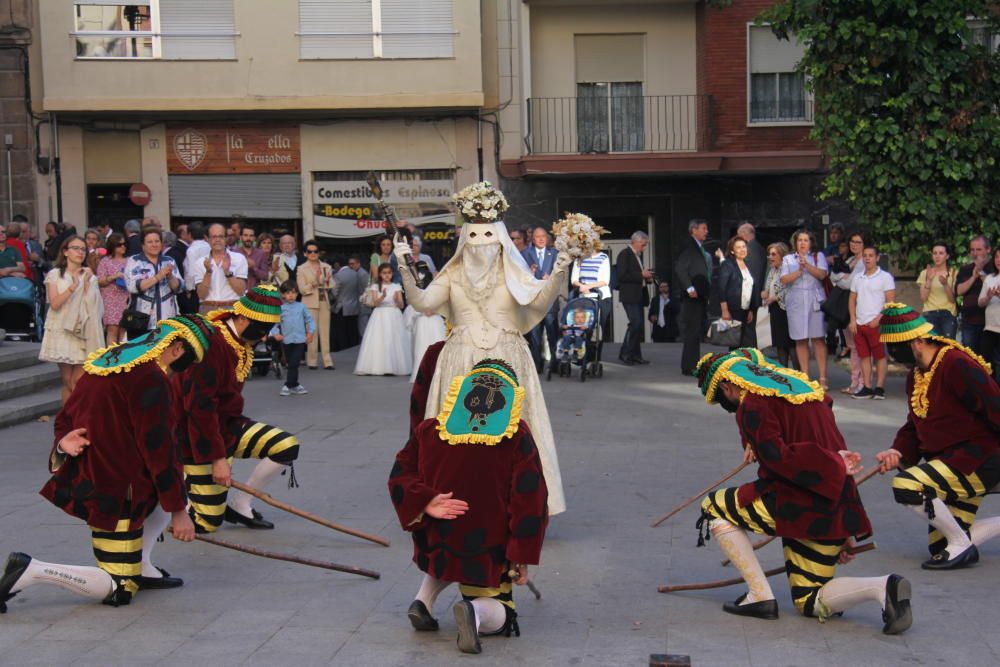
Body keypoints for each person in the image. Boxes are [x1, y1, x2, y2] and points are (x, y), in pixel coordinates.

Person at [692, 349, 912, 634]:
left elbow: (781, 458)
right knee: (810, 600)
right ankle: (882, 587)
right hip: (834, 505)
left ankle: (759, 596)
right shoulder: (806, 389)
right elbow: (826, 444)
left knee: (713, 506)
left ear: (727, 386)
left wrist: (825, 461)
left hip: (798, 504)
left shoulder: (753, 404)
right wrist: (843, 531)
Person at [0, 317, 208, 613]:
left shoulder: (107, 361)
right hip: (118, 489)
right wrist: (179, 512)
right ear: (175, 349)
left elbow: (65, 418)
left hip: (96, 476)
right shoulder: (150, 377)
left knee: (174, 482)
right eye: (183, 364)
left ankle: (142, 565)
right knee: (119, 588)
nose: (177, 374)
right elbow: (159, 449)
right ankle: (31, 570)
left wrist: (63, 442)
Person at [394, 181, 568, 515]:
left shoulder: (512, 271)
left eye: (488, 237)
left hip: (508, 358)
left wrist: (559, 270)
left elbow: (540, 299)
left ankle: (517, 503)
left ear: (500, 237)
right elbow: (423, 301)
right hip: (460, 361)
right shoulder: (453, 273)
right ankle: (455, 501)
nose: (480, 245)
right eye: (472, 237)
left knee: (514, 434)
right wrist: (404, 265)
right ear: (464, 238)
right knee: (459, 435)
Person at [388, 359, 548, 654]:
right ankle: (475, 612)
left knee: (447, 555)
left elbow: (399, 474)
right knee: (503, 612)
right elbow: (530, 498)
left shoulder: (429, 428)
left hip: (437, 537)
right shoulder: (518, 436)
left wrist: (426, 500)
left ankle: (423, 600)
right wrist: (519, 555)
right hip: (485, 546)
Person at [875, 304, 999, 569]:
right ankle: (959, 542)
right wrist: (897, 452)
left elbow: (995, 406)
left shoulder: (956, 363)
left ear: (918, 341)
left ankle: (962, 544)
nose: (894, 355)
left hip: (977, 459)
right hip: (948, 462)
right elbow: (914, 423)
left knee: (907, 485)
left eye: (897, 347)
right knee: (941, 547)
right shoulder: (917, 375)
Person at [172, 286, 301, 532]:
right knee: (206, 524)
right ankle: (183, 497)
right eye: (261, 328)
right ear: (241, 318)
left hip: (227, 426)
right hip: (195, 438)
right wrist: (218, 459)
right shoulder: (212, 344)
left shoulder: (238, 338)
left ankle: (241, 503)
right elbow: (199, 408)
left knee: (285, 446)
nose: (264, 336)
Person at [39, 236, 104, 403]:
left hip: (83, 332)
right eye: (76, 248)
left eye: (83, 249)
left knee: (78, 382)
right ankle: (67, 423)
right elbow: (54, 303)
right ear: (65, 252)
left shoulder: (90, 276)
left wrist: (88, 284)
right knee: (68, 382)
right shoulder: (55, 274)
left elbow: (95, 308)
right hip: (62, 330)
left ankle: (81, 421)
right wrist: (73, 286)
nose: (80, 252)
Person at [780, 230, 830, 388]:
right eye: (799, 240)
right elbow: (784, 279)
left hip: (814, 300)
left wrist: (806, 265)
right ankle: (805, 376)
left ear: (811, 242)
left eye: (805, 240)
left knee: (818, 339)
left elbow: (822, 275)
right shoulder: (788, 259)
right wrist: (799, 271)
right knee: (800, 339)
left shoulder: (817, 256)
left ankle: (822, 377)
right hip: (796, 301)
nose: (802, 243)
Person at [848, 244, 895, 399]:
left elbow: (890, 302)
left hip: (876, 324)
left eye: (871, 255)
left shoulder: (885, 277)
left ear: (877, 258)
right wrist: (853, 320)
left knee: (880, 356)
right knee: (864, 356)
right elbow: (852, 299)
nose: (867, 258)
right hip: (859, 324)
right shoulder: (857, 277)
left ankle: (880, 387)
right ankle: (867, 386)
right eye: (865, 255)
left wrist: (878, 319)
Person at [354, 263, 411, 376]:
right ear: (380, 274)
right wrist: (383, 296)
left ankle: (393, 366)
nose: (387, 275)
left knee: (393, 339)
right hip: (380, 314)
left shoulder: (396, 286)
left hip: (394, 314)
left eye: (389, 273)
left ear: (392, 274)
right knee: (379, 339)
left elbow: (401, 305)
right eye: (384, 273)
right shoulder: (376, 286)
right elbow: (375, 303)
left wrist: (397, 299)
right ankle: (377, 366)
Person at [124, 228, 182, 329]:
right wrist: (158, 276)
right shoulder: (135, 261)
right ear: (143, 245)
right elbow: (133, 287)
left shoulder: (169, 261)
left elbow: (178, 288)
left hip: (168, 319)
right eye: (150, 242)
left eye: (157, 241)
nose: (154, 245)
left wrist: (170, 276)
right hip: (141, 320)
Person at [674, 219, 711, 375]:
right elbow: (680, 268)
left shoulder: (698, 247)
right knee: (692, 331)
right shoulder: (689, 246)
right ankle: (689, 365)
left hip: (699, 296)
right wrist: (689, 288)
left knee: (696, 331)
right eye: (704, 228)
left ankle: (693, 363)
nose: (706, 231)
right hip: (692, 296)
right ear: (694, 230)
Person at [522, 227, 561, 373]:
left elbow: (561, 276)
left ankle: (555, 365)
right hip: (534, 301)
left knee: (553, 334)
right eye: (537, 236)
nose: (541, 239)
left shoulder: (555, 254)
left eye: (543, 236)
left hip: (550, 302)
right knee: (535, 337)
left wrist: (551, 279)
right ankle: (537, 366)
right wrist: (530, 274)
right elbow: (520, 276)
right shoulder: (525, 254)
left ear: (547, 238)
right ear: (533, 238)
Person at [830, 232, 865, 394]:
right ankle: (854, 382)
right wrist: (841, 276)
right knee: (853, 346)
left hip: (858, 307)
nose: (854, 244)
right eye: (852, 241)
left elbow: (851, 283)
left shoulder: (864, 261)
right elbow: (833, 276)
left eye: (858, 242)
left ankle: (862, 383)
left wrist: (841, 277)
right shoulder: (850, 260)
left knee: (859, 346)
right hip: (846, 307)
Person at [189, 223, 248, 315]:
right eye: (213, 237)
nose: (217, 240)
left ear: (225, 238)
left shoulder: (239, 258)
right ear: (207, 239)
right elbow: (201, 295)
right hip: (207, 309)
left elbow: (241, 291)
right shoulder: (200, 262)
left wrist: (227, 272)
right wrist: (208, 272)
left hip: (232, 308)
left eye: (221, 236)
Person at [271, 281, 315, 396]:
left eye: (293, 293)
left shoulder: (301, 307)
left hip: (300, 340)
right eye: (288, 293)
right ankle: (295, 385)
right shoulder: (280, 309)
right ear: (283, 295)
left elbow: (310, 320)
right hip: (287, 340)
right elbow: (274, 324)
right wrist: (276, 334)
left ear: (297, 294)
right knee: (291, 363)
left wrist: (310, 333)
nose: (291, 295)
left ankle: (287, 385)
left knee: (294, 363)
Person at [616, 231, 654, 365]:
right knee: (635, 323)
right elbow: (622, 275)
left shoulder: (637, 256)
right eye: (643, 245)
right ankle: (625, 353)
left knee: (638, 325)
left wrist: (647, 278)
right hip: (629, 295)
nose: (644, 248)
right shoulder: (625, 254)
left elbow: (638, 275)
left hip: (638, 294)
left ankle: (635, 354)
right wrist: (641, 275)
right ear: (636, 242)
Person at [297, 240, 335, 370]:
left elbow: (332, 284)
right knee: (311, 332)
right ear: (305, 253)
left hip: (324, 300)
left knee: (325, 332)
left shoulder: (326, 266)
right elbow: (302, 290)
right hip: (309, 303)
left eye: (315, 251)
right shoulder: (301, 269)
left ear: (319, 253)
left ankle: (327, 361)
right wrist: (315, 281)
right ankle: (312, 361)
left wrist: (323, 282)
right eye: (310, 251)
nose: (313, 254)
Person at [404, 264, 446, 382]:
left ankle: (431, 373)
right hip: (428, 320)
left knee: (430, 345)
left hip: (429, 319)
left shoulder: (433, 287)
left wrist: (429, 309)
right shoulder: (435, 287)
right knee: (423, 345)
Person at [718, 236, 761, 350]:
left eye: (744, 247)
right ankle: (735, 367)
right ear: (732, 250)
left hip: (747, 310)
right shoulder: (727, 265)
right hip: (734, 309)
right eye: (738, 247)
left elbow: (752, 287)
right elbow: (722, 288)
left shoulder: (749, 265)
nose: (742, 250)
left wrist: (751, 309)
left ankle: (749, 366)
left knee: (750, 344)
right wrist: (725, 311)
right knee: (736, 343)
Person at [955, 235, 992, 353]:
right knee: (970, 358)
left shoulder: (994, 268)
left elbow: (992, 287)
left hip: (989, 323)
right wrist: (973, 277)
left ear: (988, 250)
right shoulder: (965, 269)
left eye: (979, 249)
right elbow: (959, 291)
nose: (975, 253)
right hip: (969, 321)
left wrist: (980, 272)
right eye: (972, 250)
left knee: (988, 359)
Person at [916, 243, 959, 339]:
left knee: (948, 348)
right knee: (931, 347)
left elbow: (952, 300)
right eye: (935, 253)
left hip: (948, 314)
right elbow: (923, 298)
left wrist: (945, 284)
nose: (937, 256)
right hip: (930, 314)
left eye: (941, 253)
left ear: (947, 256)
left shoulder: (953, 273)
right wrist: (929, 280)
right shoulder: (925, 273)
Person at [762, 242, 792, 366]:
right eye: (769, 254)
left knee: (789, 343)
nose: (771, 257)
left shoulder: (787, 269)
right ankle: (783, 371)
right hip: (774, 310)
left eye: (774, 254)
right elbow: (768, 286)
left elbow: (790, 289)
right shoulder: (772, 270)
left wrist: (775, 298)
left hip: (785, 309)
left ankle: (797, 373)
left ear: (782, 255)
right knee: (779, 343)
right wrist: (765, 292)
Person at [96, 233, 129, 344]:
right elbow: (99, 281)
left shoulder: (130, 261)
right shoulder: (105, 261)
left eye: (124, 244)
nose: (123, 246)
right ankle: (111, 358)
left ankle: (123, 358)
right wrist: (114, 276)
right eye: (119, 245)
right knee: (112, 329)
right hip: (110, 300)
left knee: (124, 330)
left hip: (126, 298)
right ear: (113, 246)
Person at [570, 247, 612, 332]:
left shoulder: (604, 257)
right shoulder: (579, 258)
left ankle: (597, 344)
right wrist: (582, 286)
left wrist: (588, 287)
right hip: (584, 297)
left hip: (601, 297)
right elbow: (574, 280)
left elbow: (605, 280)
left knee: (599, 328)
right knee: (584, 326)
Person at [332, 255, 367, 350]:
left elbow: (334, 293)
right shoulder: (356, 274)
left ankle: (343, 347)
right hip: (354, 306)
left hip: (342, 307)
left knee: (342, 331)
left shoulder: (338, 276)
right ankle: (353, 346)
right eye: (350, 264)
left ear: (337, 265)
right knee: (352, 329)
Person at [977, 246, 1000, 378]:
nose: (999, 260)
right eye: (997, 257)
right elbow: (980, 302)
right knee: (986, 363)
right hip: (990, 328)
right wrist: (989, 296)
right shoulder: (990, 278)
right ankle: (990, 394)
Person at [180, 222, 209, 314]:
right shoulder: (209, 246)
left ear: (189, 234)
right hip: (209, 285)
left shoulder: (191, 250)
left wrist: (188, 290)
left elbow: (191, 272)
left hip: (196, 289)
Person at [235, 224, 269, 291]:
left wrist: (254, 268)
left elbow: (265, 277)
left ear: (254, 238)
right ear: (241, 237)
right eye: (245, 235)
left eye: (251, 236)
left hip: (255, 294)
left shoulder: (261, 254)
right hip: (237, 293)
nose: (248, 238)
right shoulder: (234, 253)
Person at [736, 223, 767, 295]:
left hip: (751, 293)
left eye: (739, 235)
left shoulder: (749, 249)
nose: (738, 238)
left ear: (744, 233)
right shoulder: (759, 248)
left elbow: (753, 273)